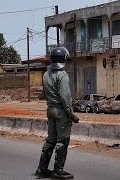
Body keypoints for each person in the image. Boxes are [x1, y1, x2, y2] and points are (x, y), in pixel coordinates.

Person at [35, 47, 80, 179]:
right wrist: (71, 114)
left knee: (51, 140)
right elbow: (65, 97)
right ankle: (58, 170)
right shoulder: (62, 75)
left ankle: (42, 168)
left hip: (50, 110)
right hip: (61, 112)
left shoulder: (46, 74)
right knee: (63, 141)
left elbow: (43, 94)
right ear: (64, 59)